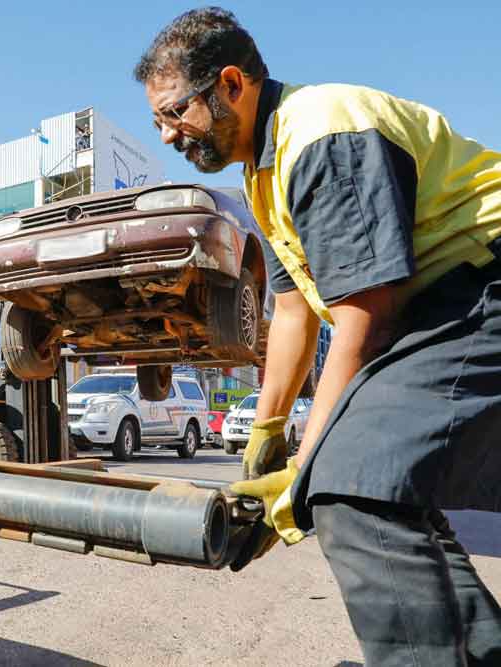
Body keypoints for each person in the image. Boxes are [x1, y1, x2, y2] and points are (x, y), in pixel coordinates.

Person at [134, 8, 501, 665]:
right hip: (442, 306)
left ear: (230, 85)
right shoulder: (263, 174)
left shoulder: (319, 132)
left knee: (350, 480)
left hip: (482, 282)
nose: (166, 135)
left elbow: (364, 314)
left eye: (174, 112)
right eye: (158, 120)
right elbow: (294, 310)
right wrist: (266, 434)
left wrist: (308, 467)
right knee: (383, 486)